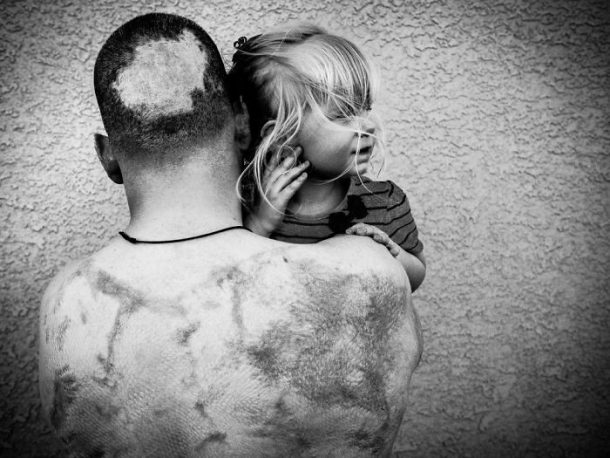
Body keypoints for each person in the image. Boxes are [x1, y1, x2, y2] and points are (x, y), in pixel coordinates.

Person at [38, 13, 422, 457]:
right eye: (341, 113)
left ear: (108, 155)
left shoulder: (63, 306)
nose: (365, 125)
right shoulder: (371, 274)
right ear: (244, 124)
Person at [229, 25, 426, 292]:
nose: (368, 125)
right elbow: (236, 281)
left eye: (365, 108)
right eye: (343, 114)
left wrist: (391, 255)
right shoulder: (243, 201)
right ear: (282, 138)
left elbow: (416, 276)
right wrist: (260, 225)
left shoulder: (385, 202)